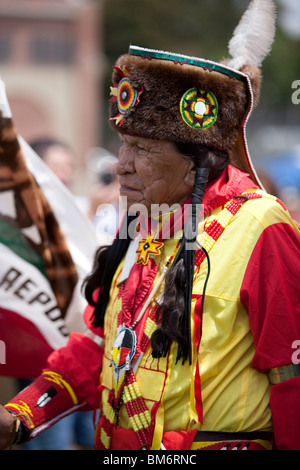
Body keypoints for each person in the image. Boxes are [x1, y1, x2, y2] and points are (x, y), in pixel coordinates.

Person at [1, 0, 300, 451]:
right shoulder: (146, 225)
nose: (121, 166)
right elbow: (101, 349)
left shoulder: (260, 226)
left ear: (197, 161)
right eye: (123, 145)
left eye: (142, 148)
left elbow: (292, 377)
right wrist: (19, 415)